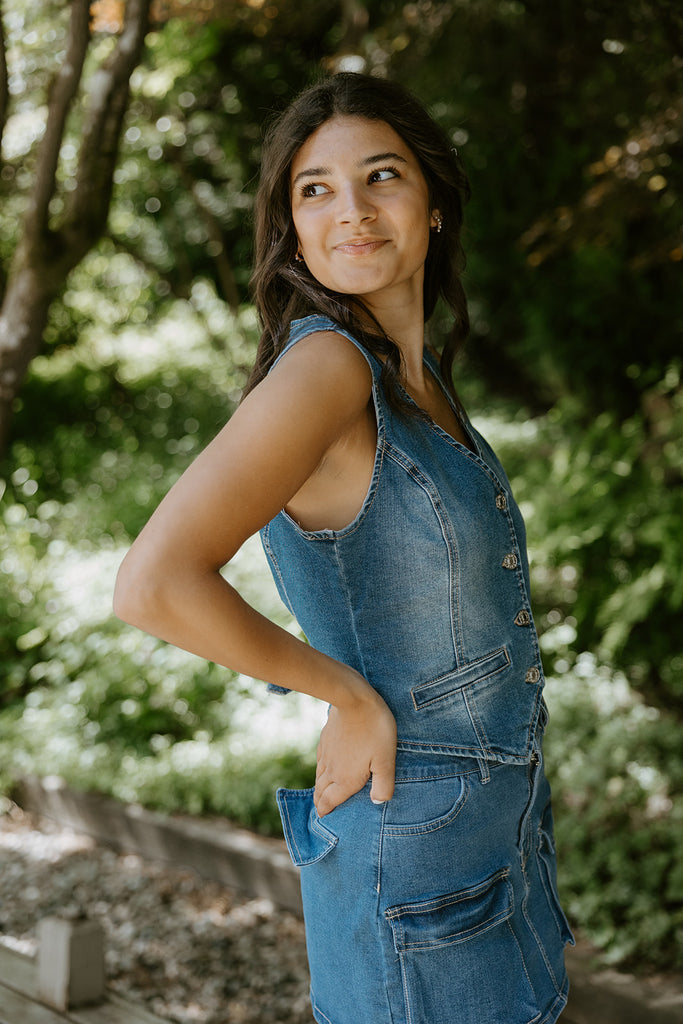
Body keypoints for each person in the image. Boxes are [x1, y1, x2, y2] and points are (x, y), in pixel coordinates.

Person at [114, 71, 574, 1024]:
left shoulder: (417, 377)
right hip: (412, 861)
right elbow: (153, 583)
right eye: (314, 189)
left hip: (498, 847)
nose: (351, 211)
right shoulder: (326, 367)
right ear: (290, 224)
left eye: (381, 176)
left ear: (434, 204)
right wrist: (343, 691)